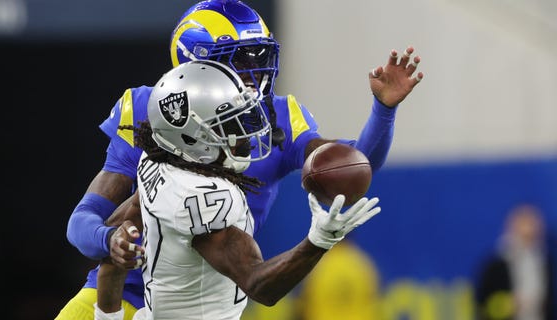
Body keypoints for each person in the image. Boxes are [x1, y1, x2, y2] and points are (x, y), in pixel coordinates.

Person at [57, 0, 423, 318]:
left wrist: (383, 110)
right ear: (196, 65)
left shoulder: (278, 116)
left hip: (207, 304)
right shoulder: (151, 110)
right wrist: (111, 242)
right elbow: (83, 222)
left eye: (258, 56)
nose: (255, 72)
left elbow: (352, 165)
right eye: (240, 59)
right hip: (129, 293)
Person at [94, 60, 382, 320]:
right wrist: (317, 241)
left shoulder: (156, 161)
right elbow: (259, 285)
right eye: (229, 123)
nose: (246, 134)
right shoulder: (204, 198)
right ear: (192, 136)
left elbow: (117, 245)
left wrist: (107, 317)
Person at [475, 203, 555, 320]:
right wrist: (510, 304)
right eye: (523, 224)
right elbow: (482, 304)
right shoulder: (496, 265)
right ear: (511, 228)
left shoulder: (548, 262)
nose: (528, 230)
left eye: (533, 226)